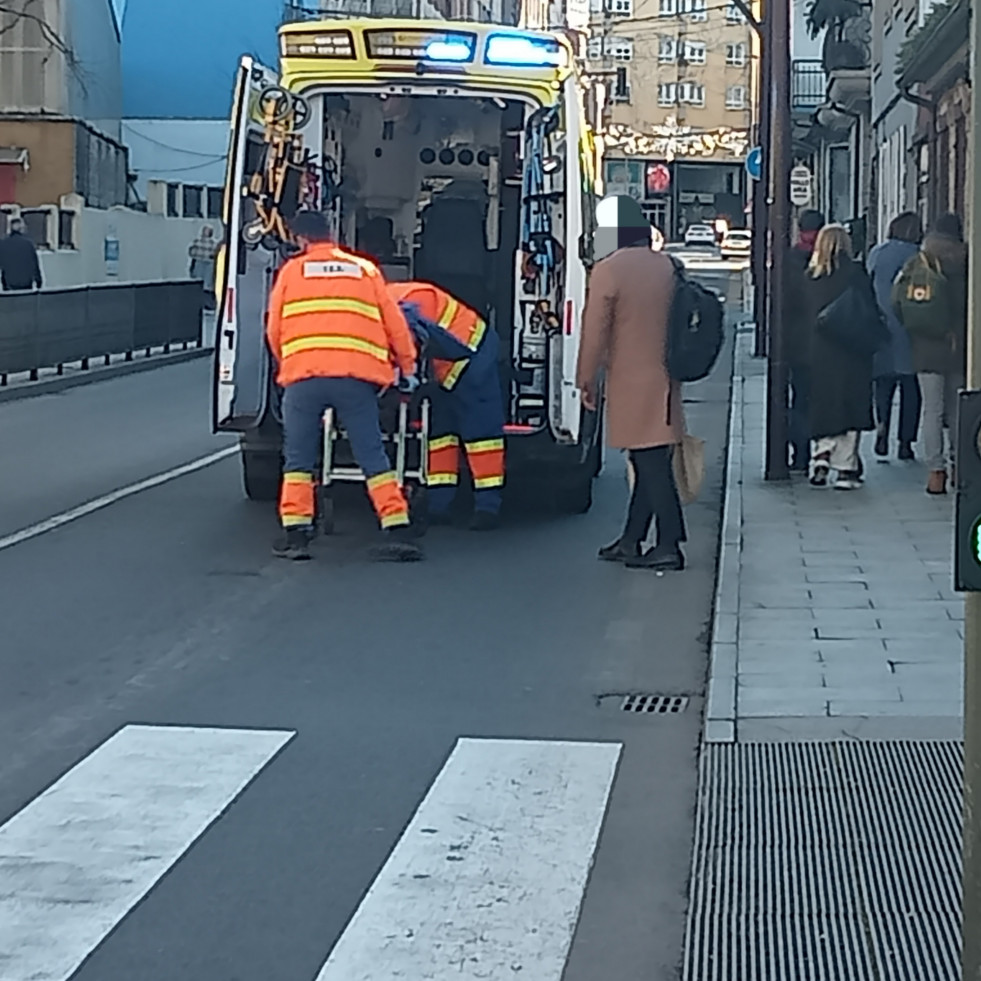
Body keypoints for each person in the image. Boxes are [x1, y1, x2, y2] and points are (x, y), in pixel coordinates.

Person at [264, 210, 423, 561]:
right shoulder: (365, 270)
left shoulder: (291, 272)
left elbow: (274, 328)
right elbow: (395, 324)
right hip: (357, 378)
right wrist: (407, 367)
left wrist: (286, 362)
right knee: (371, 455)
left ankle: (297, 535)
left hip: (304, 378)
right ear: (332, 235)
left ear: (300, 239)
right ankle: (396, 526)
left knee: (299, 458)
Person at [576, 194, 687, 571]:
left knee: (650, 462)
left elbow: (595, 331)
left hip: (630, 377)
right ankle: (631, 539)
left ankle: (670, 542)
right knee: (649, 457)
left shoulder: (609, 270)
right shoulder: (668, 267)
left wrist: (585, 378)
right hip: (667, 376)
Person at [388, 280, 505, 530]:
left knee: (481, 436)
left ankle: (487, 508)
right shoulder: (389, 303)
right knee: (440, 435)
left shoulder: (417, 302)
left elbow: (413, 348)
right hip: (444, 366)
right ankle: (439, 505)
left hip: (474, 356)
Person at [803, 224, 877, 490]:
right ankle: (845, 469)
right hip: (852, 349)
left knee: (824, 403)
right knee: (850, 405)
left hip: (820, 351)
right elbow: (869, 309)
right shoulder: (855, 272)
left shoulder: (811, 275)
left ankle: (821, 455)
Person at [902, 213, 968, 495]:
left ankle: (935, 472)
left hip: (926, 345)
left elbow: (897, 299)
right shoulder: (967, 261)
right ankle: (959, 468)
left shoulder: (921, 260)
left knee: (932, 409)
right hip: (958, 345)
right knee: (957, 410)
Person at [866, 212, 922, 461]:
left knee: (883, 384)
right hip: (910, 328)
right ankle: (905, 442)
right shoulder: (918, 256)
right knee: (911, 389)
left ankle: (882, 428)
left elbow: (868, 283)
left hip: (881, 326)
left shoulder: (878, 252)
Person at [784, 209, 825, 472]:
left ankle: (800, 454)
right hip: (826, 343)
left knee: (799, 399)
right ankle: (823, 453)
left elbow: (784, 301)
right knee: (821, 400)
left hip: (797, 344)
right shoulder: (828, 259)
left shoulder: (791, 258)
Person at [0, 217, 43, 291]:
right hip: (25, 284)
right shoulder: (28, 244)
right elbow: (34, 266)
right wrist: (39, 282)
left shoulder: (3, 244)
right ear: (22, 229)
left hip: (9, 284)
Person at [188, 226, 217, 310]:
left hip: (206, 265)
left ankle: (205, 304)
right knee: (202, 285)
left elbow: (191, 253)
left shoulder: (211, 243)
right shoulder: (198, 242)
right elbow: (191, 253)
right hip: (201, 264)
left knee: (204, 285)